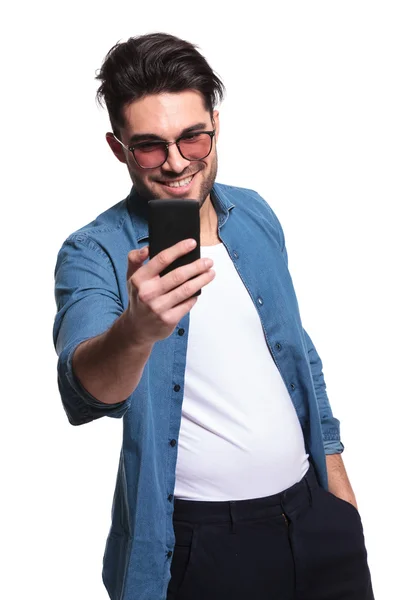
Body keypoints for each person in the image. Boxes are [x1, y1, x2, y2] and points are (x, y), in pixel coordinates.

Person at [53, 32, 374, 600]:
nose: (176, 163)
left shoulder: (253, 213)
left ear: (215, 128)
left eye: (192, 138)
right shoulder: (94, 251)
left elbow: (299, 355)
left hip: (315, 517)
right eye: (150, 146)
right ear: (118, 147)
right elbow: (86, 389)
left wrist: (339, 500)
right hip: (204, 547)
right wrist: (137, 330)